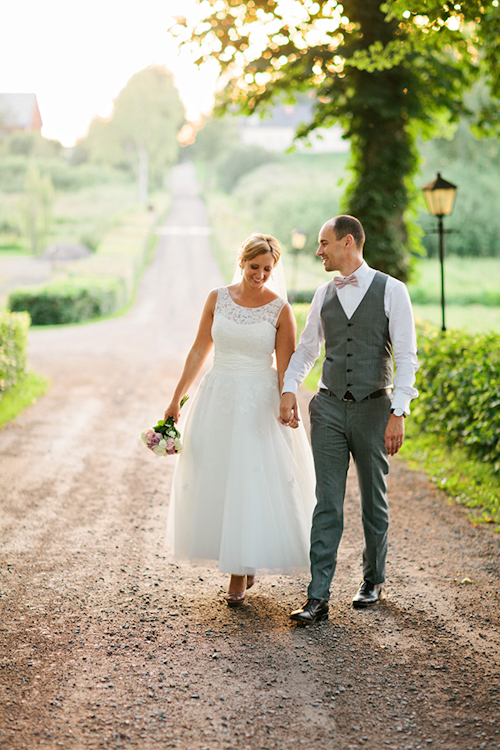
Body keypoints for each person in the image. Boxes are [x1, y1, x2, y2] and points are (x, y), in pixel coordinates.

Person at [279, 215, 419, 623]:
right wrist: (290, 387)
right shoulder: (323, 293)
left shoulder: (393, 290)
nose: (318, 250)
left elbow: (407, 356)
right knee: (328, 503)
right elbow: (307, 350)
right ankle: (317, 597)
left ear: (347, 242)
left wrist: (399, 411)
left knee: (374, 500)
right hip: (329, 406)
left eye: (324, 243)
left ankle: (373, 579)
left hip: (376, 407)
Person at [164, 233, 316, 606]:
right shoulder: (217, 298)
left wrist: (288, 401)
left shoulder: (279, 310)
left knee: (248, 477)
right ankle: (240, 557)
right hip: (219, 397)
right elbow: (200, 349)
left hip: (257, 401)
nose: (261, 274)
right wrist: (175, 399)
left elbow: (286, 368)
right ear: (241, 261)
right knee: (218, 475)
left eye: (268, 269)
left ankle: (238, 569)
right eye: (254, 267)